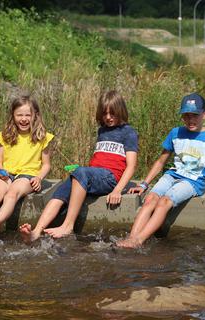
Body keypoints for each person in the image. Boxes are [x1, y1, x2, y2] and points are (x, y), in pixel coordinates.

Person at [116, 92, 205, 248]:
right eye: (186, 116)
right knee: (150, 199)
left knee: (164, 201)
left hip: (192, 181)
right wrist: (143, 184)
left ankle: (138, 241)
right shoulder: (175, 133)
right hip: (172, 175)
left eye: (195, 115)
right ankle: (132, 237)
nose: (190, 120)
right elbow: (160, 162)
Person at [19, 90, 138, 243]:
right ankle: (36, 231)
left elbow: (131, 166)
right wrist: (83, 173)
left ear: (121, 111)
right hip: (94, 176)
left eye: (112, 113)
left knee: (81, 172)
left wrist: (117, 190)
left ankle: (68, 226)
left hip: (110, 178)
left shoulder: (128, 132)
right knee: (63, 187)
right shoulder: (102, 131)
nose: (108, 117)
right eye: (105, 113)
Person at [0, 95, 54, 240]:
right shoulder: (6, 135)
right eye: (19, 115)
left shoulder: (42, 137)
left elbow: (46, 165)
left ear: (35, 116)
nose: (24, 119)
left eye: (28, 115)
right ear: (13, 116)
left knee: (11, 193)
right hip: (7, 174)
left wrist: (39, 178)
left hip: (28, 175)